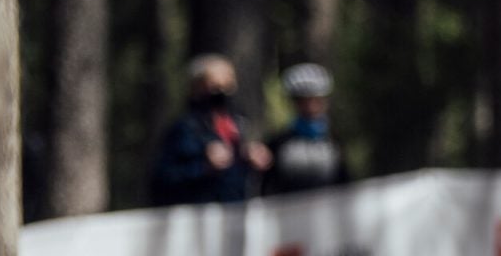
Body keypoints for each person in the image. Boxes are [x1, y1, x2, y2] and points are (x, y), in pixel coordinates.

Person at [148, 55, 270, 206]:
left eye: (228, 85)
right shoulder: (185, 128)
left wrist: (253, 160)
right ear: (196, 87)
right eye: (214, 87)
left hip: (235, 212)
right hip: (198, 215)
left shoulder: (238, 123)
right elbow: (163, 179)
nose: (222, 92)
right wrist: (204, 167)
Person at [264, 62, 350, 195]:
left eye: (316, 100)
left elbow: (346, 181)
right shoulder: (279, 142)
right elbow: (269, 184)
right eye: (303, 101)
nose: (311, 106)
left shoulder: (335, 139)